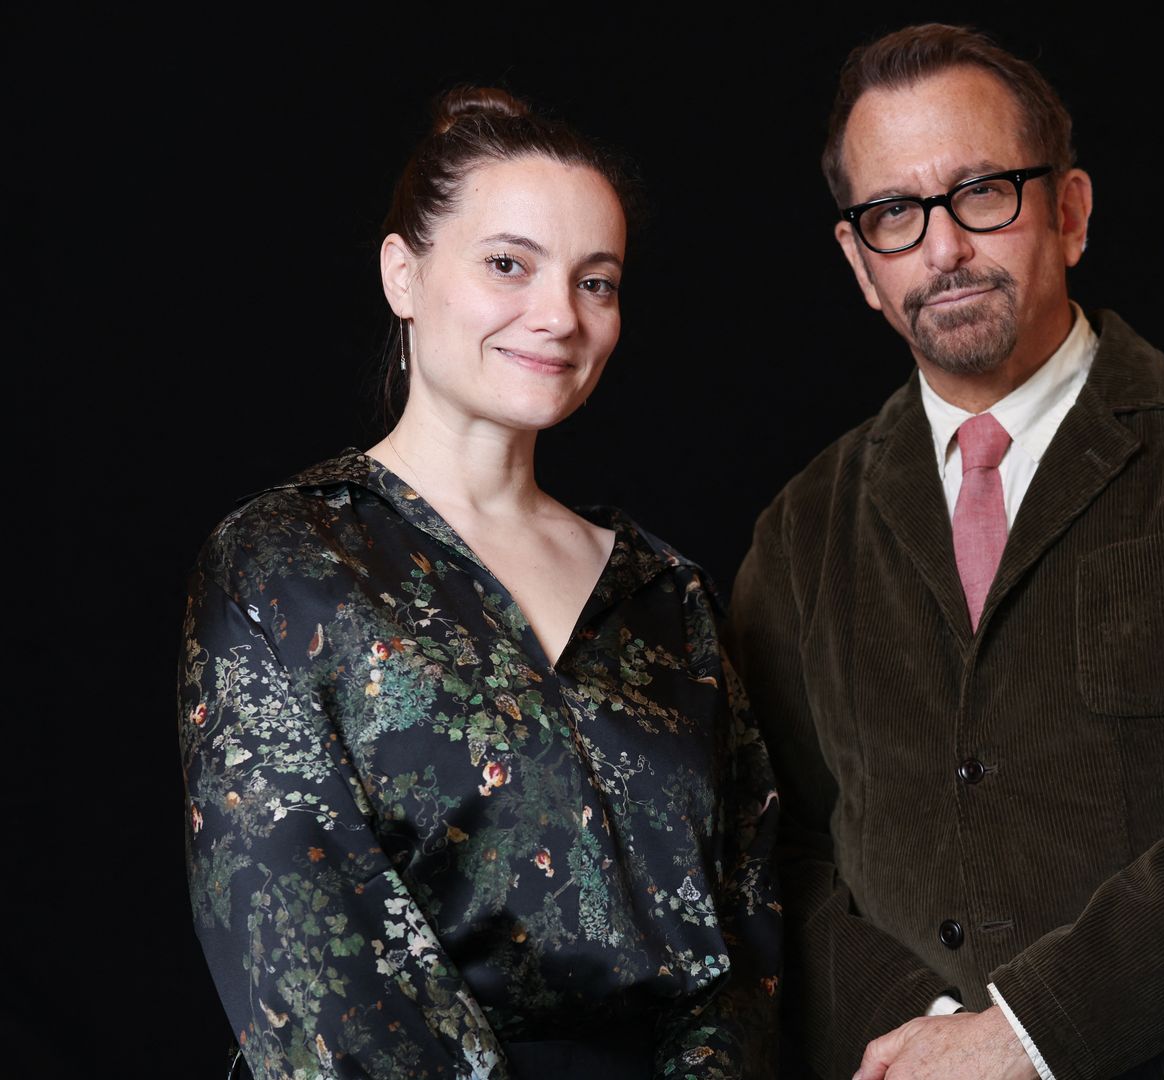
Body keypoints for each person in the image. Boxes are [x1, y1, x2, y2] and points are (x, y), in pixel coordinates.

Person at [725, 25, 1164, 1080]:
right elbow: (775, 854)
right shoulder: (803, 534)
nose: (942, 249)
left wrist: (1023, 1038)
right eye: (895, 214)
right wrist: (931, 1034)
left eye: (982, 190)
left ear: (1070, 211)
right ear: (858, 262)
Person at [177, 87, 779, 1079]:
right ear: (402, 275)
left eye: (598, 282)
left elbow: (744, 936)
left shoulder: (670, 600)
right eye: (510, 264)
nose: (558, 316)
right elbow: (296, 944)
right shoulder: (283, 565)